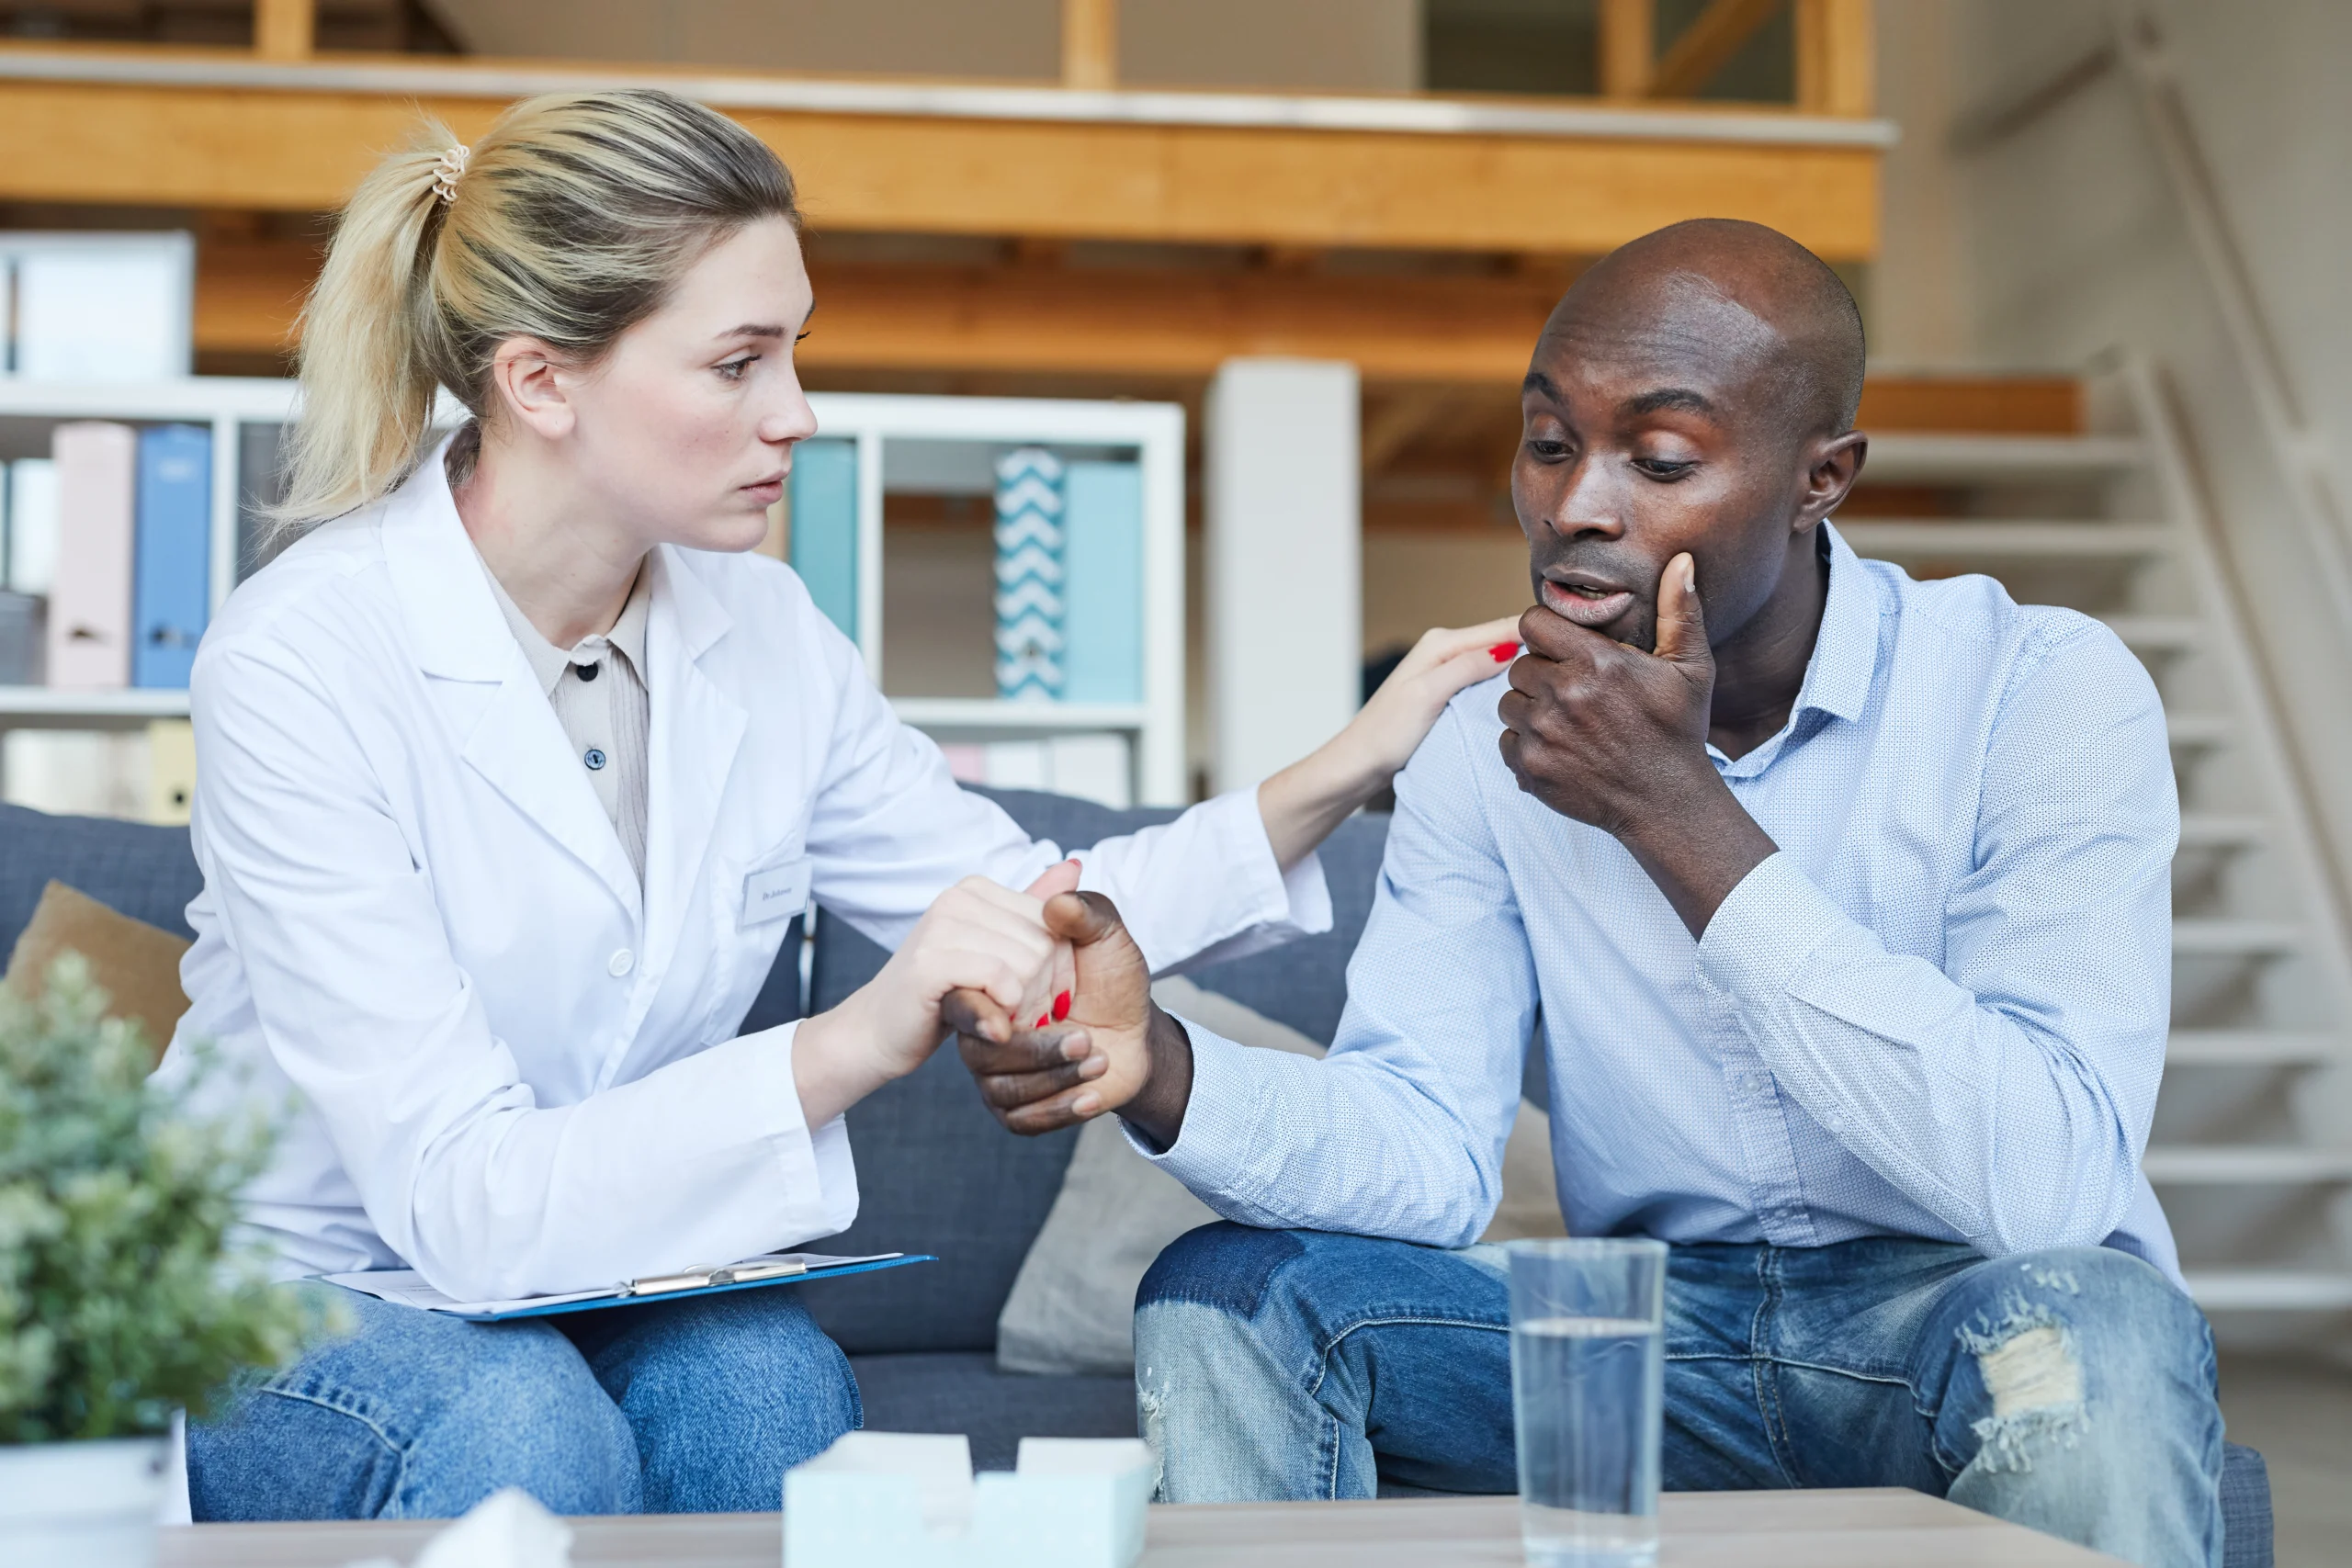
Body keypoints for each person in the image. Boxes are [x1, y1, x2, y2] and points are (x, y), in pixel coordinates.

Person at [161, 87, 1514, 1522]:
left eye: (794, 351)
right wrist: (862, 1036)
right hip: (308, 1280)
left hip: (612, 1259)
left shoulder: (765, 630)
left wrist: (1353, 759)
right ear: (541, 381)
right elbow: (459, 1202)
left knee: (771, 1389)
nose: (795, 411)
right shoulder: (301, 660)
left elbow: (1037, 903)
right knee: (522, 1431)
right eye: (739, 362)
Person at [960, 220, 2225, 1568]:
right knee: (1233, 1294)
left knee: (2097, 1328)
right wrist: (1160, 1069)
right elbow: (1427, 1144)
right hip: (1644, 1336)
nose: (1577, 505)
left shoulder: (2038, 690)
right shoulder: (1479, 746)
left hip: (1963, 1318)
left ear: (1822, 481)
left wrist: (1672, 810)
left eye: (1661, 459)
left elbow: (2046, 1181)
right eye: (1551, 442)